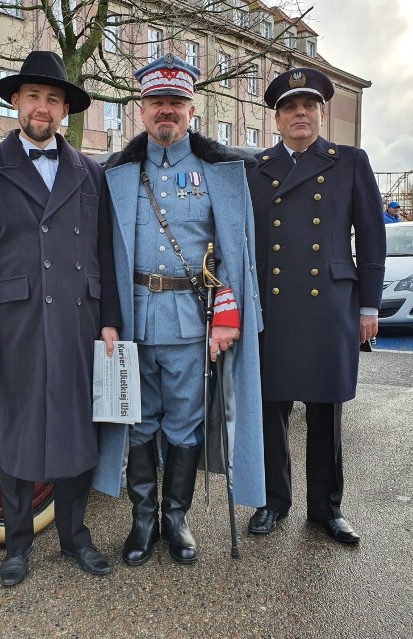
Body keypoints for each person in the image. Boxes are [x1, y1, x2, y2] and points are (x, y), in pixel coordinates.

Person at [0, 51, 121, 587]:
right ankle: (18, 545)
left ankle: (76, 538)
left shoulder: (91, 172)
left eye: (53, 99)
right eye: (33, 96)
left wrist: (111, 320)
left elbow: (105, 252)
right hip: (16, 323)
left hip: (79, 319)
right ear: (15, 101)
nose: (42, 107)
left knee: (77, 432)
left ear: (64, 110)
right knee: (19, 432)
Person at [93, 53, 266, 566]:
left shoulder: (220, 173)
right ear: (140, 110)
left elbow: (238, 255)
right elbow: (103, 255)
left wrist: (229, 319)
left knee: (185, 424)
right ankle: (142, 521)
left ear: (192, 109)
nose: (165, 111)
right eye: (156, 102)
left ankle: (176, 519)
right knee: (139, 423)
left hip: (194, 321)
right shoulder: (118, 174)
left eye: (175, 102)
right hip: (134, 319)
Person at [245, 67, 386, 544]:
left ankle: (327, 509)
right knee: (271, 409)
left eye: (308, 106)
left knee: (326, 411)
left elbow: (371, 237)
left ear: (320, 113)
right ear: (277, 120)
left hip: (330, 306)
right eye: (289, 107)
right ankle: (272, 502)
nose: (299, 114)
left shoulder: (349, 161)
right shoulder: (257, 168)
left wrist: (370, 306)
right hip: (273, 307)